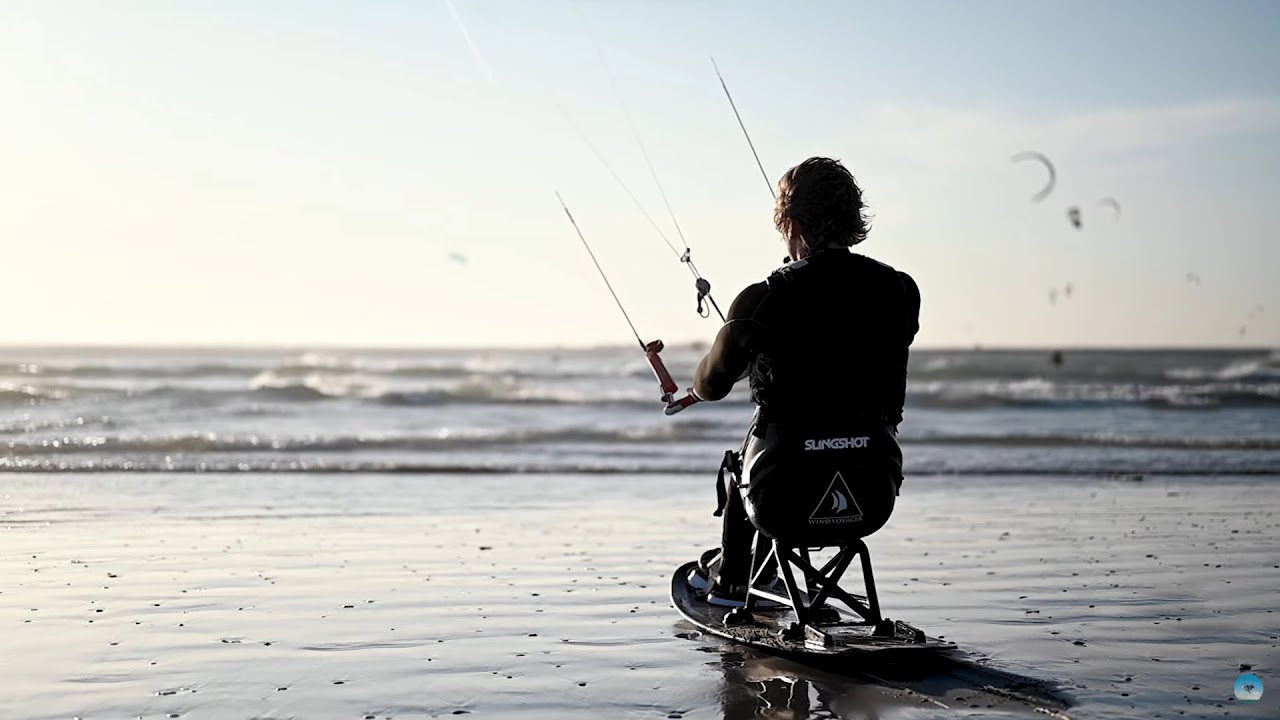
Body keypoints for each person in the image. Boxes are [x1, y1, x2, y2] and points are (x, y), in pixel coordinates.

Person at [685, 157, 921, 607]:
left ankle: (731, 584)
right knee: (796, 444)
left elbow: (713, 384)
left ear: (790, 223)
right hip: (874, 488)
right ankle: (774, 575)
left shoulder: (764, 298)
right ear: (852, 218)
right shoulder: (900, 290)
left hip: (784, 495)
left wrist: (695, 391)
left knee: (743, 465)